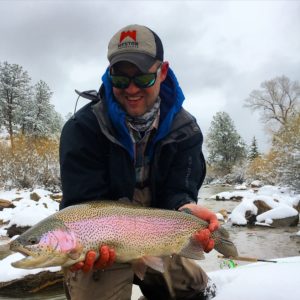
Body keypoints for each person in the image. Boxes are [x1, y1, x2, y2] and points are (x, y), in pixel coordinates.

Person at [59, 24, 219, 300]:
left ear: (163, 71)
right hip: (104, 242)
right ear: (109, 76)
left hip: (155, 234)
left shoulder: (185, 130)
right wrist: (86, 246)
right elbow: (83, 204)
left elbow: (178, 191)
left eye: (142, 78)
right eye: (120, 80)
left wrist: (186, 210)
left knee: (190, 291)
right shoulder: (82, 129)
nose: (131, 89)